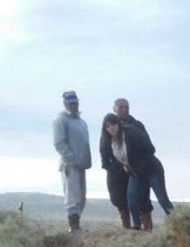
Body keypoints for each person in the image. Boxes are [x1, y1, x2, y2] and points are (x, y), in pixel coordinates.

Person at [103, 113, 173, 229]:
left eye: (113, 124)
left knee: (162, 199)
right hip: (136, 173)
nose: (111, 128)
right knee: (132, 199)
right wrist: (126, 165)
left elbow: (150, 148)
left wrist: (137, 162)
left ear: (118, 124)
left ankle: (178, 222)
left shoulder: (131, 133)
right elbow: (114, 158)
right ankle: (137, 226)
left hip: (152, 170)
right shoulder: (112, 143)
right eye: (108, 126)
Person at [99, 98, 154, 230]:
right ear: (115, 109)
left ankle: (147, 229)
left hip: (136, 168)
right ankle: (126, 229)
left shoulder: (136, 125)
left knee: (142, 198)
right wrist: (109, 166)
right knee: (119, 199)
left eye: (126, 107)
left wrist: (141, 165)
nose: (124, 109)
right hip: (117, 170)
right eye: (121, 107)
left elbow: (148, 147)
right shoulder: (108, 125)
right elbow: (104, 148)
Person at [53, 91, 92, 233]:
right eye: (71, 104)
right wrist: (71, 158)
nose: (74, 106)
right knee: (72, 196)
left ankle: (77, 224)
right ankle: (73, 226)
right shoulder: (60, 120)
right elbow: (59, 143)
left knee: (81, 197)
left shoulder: (81, 122)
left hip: (82, 164)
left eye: (75, 103)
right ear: (65, 105)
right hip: (70, 165)